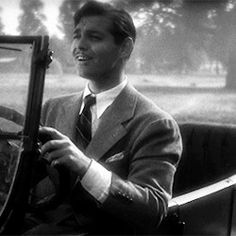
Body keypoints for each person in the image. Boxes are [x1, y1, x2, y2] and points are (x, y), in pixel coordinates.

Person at [23, 1, 182, 235]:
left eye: (94, 37)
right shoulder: (52, 108)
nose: (79, 46)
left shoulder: (155, 124)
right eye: (76, 36)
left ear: (125, 48)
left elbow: (152, 210)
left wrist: (85, 166)